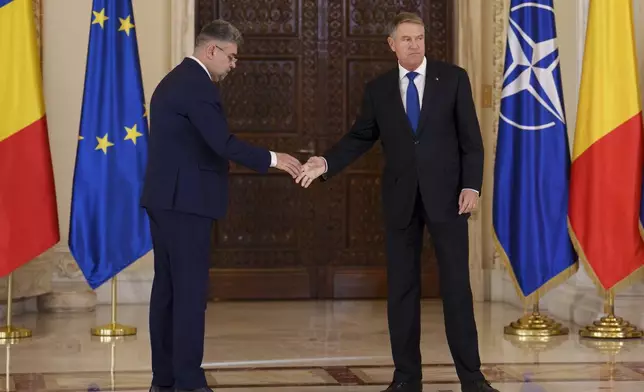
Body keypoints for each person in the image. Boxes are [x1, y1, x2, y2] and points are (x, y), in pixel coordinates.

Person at [296, 12, 498, 392]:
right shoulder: (379, 89)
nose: (415, 44)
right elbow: (359, 137)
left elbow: (472, 142)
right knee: (402, 291)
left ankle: (472, 378)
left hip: (449, 200)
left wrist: (472, 187)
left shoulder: (453, 79)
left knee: (456, 288)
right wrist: (325, 162)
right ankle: (406, 378)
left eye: (419, 38)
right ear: (392, 44)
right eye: (406, 39)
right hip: (401, 200)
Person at [140, 20, 302, 392]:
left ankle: (164, 380)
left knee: (167, 292)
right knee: (190, 294)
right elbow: (221, 142)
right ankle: (189, 382)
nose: (234, 64)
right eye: (230, 56)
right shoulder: (196, 85)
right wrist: (274, 158)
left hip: (166, 200)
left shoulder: (176, 80)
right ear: (211, 50)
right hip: (187, 203)